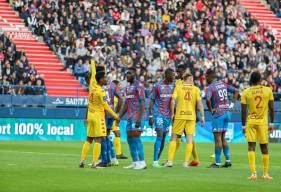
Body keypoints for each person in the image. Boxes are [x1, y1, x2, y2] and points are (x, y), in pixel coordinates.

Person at [79, 59, 119, 169]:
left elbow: (93, 73)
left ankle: (82, 161)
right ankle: (95, 163)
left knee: (88, 139)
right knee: (98, 140)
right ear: (100, 80)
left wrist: (92, 62)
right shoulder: (101, 91)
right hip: (98, 117)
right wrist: (115, 115)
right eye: (105, 78)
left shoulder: (92, 85)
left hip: (90, 116)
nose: (106, 80)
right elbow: (106, 106)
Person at [164, 71, 205, 168]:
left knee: (174, 137)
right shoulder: (196, 89)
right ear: (188, 79)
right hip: (191, 117)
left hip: (180, 116)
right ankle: (185, 163)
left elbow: (173, 101)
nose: (192, 80)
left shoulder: (178, 88)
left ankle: (170, 161)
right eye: (191, 79)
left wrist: (172, 113)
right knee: (189, 139)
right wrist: (202, 116)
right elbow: (199, 103)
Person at [241, 71, 274, 180]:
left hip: (251, 122)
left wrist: (243, 126)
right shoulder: (268, 90)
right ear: (260, 80)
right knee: (264, 147)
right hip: (262, 123)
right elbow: (272, 108)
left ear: (251, 80)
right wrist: (272, 123)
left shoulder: (246, 92)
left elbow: (243, 110)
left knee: (251, 146)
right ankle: (265, 174)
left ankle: (253, 174)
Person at [205, 69, 238, 168]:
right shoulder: (223, 84)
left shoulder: (211, 87)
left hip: (218, 113)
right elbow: (236, 91)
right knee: (223, 137)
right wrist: (231, 105)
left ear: (210, 77)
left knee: (218, 138)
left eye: (206, 77)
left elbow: (207, 99)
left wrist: (211, 110)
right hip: (227, 112)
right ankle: (228, 160)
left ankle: (217, 162)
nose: (205, 79)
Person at [119, 68, 147, 170]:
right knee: (129, 138)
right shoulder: (127, 88)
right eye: (126, 73)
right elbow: (126, 104)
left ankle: (142, 162)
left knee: (136, 137)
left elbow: (143, 102)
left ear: (134, 74)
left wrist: (139, 118)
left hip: (137, 116)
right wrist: (119, 117)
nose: (127, 75)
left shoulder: (138, 86)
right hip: (130, 117)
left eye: (129, 73)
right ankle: (135, 162)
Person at [174, 64, 200, 166]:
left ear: (184, 71)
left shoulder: (189, 82)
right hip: (180, 112)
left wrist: (196, 113)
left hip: (187, 114)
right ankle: (196, 159)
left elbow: (195, 99)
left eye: (180, 71)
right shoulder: (176, 82)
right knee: (185, 137)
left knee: (180, 136)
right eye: (178, 71)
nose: (178, 73)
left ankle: (171, 159)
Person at [149, 68, 175, 168]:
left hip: (168, 116)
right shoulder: (158, 86)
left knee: (164, 137)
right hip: (158, 114)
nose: (174, 77)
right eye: (172, 75)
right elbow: (152, 100)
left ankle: (157, 159)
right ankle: (155, 161)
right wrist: (151, 115)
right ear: (167, 75)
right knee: (159, 135)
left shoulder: (174, 85)